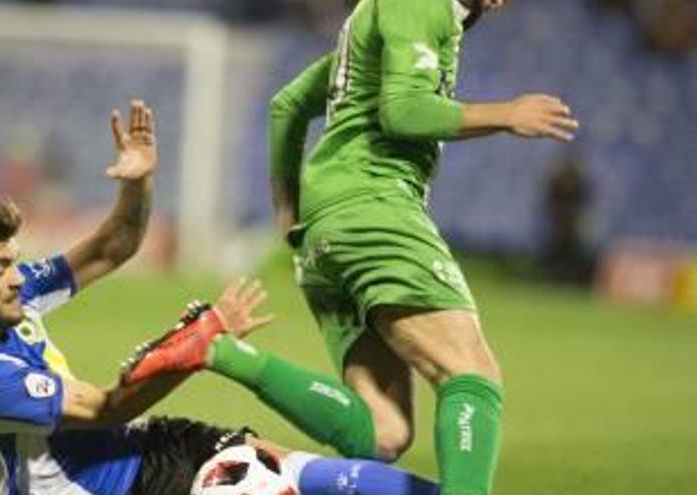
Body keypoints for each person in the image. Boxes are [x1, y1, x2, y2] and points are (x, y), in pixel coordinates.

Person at [123, 2, 581, 495]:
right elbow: (404, 111)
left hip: (327, 230)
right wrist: (507, 113)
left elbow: (288, 104)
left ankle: (215, 348)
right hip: (374, 211)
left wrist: (287, 208)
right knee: (470, 374)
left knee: (384, 432)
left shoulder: (386, 24)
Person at [0, 101, 439, 495]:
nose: (16, 278)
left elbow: (111, 247)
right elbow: (103, 406)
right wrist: (194, 348)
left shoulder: (19, 296)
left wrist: (138, 183)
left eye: (12, 262)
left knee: (322, 476)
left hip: (148, 446)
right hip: (110, 488)